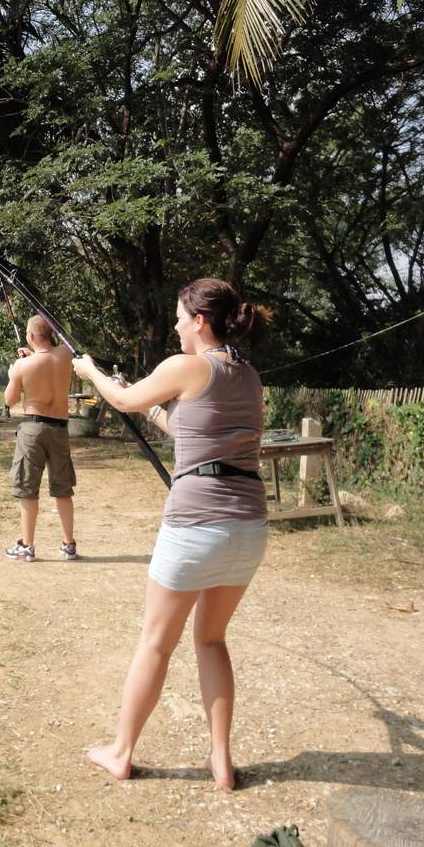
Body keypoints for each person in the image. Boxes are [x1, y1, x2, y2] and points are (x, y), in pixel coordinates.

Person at [71, 278, 272, 789]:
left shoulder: (186, 366)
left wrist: (90, 372)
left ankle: (121, 752)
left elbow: (121, 399)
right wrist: (149, 404)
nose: (177, 327)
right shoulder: (248, 375)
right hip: (248, 527)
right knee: (211, 639)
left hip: (196, 525)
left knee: (156, 643)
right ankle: (221, 760)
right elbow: (189, 428)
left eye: (181, 319)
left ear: (200, 321)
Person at [3, 314, 78, 561]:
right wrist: (33, 354)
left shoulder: (22, 366)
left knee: (28, 489)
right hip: (60, 428)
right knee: (63, 489)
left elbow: (10, 400)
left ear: (31, 336)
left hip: (33, 428)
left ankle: (27, 545)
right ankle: (69, 544)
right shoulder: (65, 355)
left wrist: (14, 373)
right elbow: (53, 352)